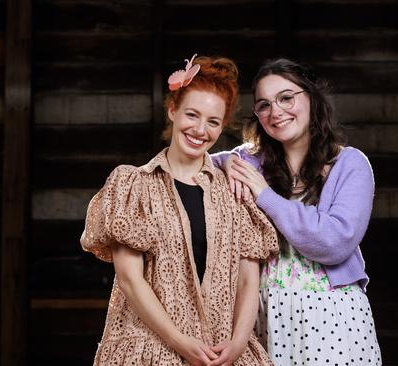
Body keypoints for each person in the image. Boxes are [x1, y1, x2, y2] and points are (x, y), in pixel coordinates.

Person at [81, 54, 278, 366]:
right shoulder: (133, 186)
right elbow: (130, 279)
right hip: (150, 348)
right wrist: (179, 341)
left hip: (223, 351)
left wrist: (239, 342)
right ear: (173, 110)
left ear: (222, 125)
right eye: (192, 115)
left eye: (213, 121)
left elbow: (247, 279)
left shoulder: (234, 192)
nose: (200, 130)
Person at [212, 58, 382, 365]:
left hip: (333, 320)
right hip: (264, 317)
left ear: (312, 98)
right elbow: (203, 162)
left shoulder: (351, 165)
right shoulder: (251, 163)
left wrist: (265, 196)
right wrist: (226, 163)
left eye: (286, 97)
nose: (275, 112)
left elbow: (333, 241)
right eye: (264, 105)